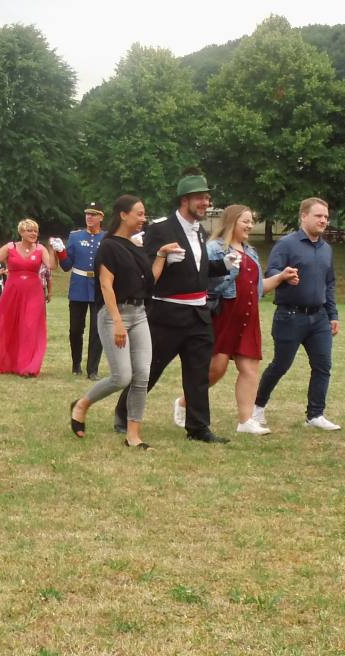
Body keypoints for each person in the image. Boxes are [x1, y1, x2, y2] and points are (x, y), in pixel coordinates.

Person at [111, 169, 231, 442]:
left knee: (198, 373)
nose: (205, 203)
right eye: (200, 198)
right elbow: (141, 267)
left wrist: (222, 265)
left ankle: (198, 428)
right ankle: (123, 413)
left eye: (207, 198)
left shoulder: (201, 231)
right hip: (167, 314)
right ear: (184, 200)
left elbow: (196, 270)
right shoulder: (160, 228)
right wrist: (161, 259)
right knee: (150, 369)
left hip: (199, 313)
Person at [172, 205, 298, 435]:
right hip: (223, 315)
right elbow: (201, 282)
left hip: (248, 317)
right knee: (216, 369)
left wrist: (281, 277)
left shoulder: (251, 252)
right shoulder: (213, 248)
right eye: (246, 221)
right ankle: (183, 402)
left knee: (250, 369)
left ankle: (245, 421)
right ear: (231, 222)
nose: (250, 225)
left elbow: (258, 289)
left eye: (252, 221)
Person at [69, 195, 172, 448]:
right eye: (139, 213)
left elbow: (150, 281)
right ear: (123, 215)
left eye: (144, 214)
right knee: (122, 377)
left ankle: (133, 436)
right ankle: (82, 404)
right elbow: (106, 285)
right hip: (114, 314)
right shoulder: (108, 246)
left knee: (142, 375)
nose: (143, 218)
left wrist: (161, 255)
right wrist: (117, 322)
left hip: (139, 314)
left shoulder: (136, 247)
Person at [252, 197, 341, 431]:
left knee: (323, 366)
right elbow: (271, 272)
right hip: (290, 316)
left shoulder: (326, 249)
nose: (323, 220)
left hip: (319, 318)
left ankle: (315, 415)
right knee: (281, 365)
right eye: (318, 216)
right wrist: (284, 275)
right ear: (303, 216)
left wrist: (333, 315)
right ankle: (257, 407)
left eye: (326, 216)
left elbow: (329, 283)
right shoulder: (286, 245)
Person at [0, 220, 57, 377]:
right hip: (12, 292)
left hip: (34, 293)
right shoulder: (10, 247)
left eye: (35, 231)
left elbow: (52, 266)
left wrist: (53, 251)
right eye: (29, 230)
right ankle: (6, 362)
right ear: (21, 232)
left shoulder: (41, 249)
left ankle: (28, 367)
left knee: (29, 327)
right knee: (8, 325)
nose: (33, 233)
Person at [58, 203, 107, 378]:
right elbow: (66, 266)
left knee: (97, 330)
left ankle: (92, 370)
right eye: (87, 214)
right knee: (75, 329)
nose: (89, 217)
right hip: (78, 287)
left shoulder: (107, 238)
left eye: (94, 214)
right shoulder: (75, 236)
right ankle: (76, 364)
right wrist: (60, 252)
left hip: (99, 288)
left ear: (101, 217)